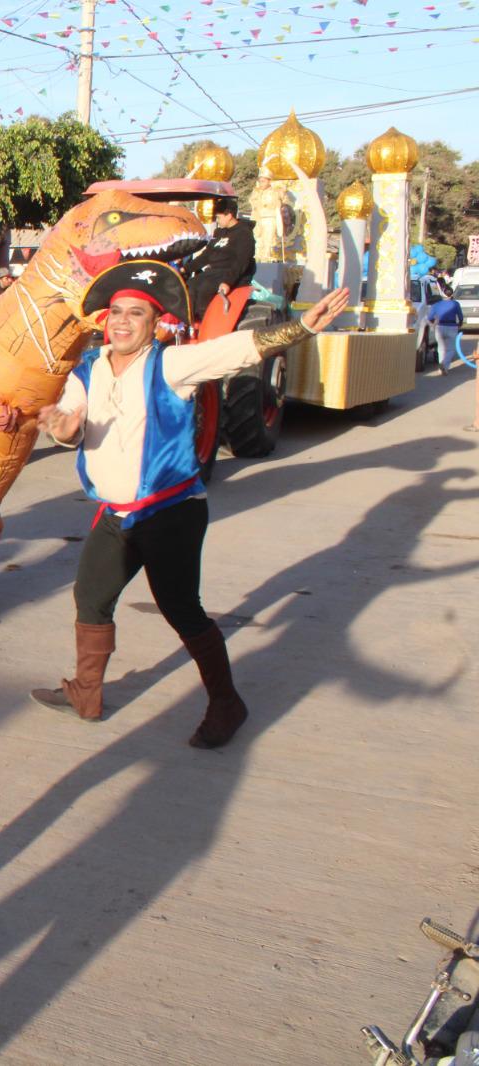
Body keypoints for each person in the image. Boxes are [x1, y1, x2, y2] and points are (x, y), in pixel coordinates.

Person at [31, 261, 350, 748]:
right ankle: (87, 694)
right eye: (115, 312)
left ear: (154, 324)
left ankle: (227, 703)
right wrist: (61, 427)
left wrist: (302, 326)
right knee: (91, 597)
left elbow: (236, 350)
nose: (121, 321)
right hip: (116, 514)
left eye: (134, 314)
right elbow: (71, 420)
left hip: (171, 512)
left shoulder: (172, 364)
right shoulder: (88, 370)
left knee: (181, 610)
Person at [183, 197, 257, 324]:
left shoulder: (244, 234)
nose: (217, 220)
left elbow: (241, 261)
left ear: (229, 215)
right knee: (191, 284)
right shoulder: (219, 232)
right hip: (214, 272)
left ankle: (207, 322)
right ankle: (190, 322)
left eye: (219, 217)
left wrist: (228, 282)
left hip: (232, 273)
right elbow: (206, 255)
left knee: (205, 288)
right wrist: (186, 268)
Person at [429, 291, 466, 374]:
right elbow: (460, 316)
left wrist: (433, 323)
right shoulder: (455, 304)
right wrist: (460, 323)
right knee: (450, 349)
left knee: (441, 348)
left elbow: (430, 317)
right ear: (452, 294)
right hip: (452, 326)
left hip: (440, 327)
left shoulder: (436, 304)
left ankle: (441, 368)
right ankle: (444, 366)